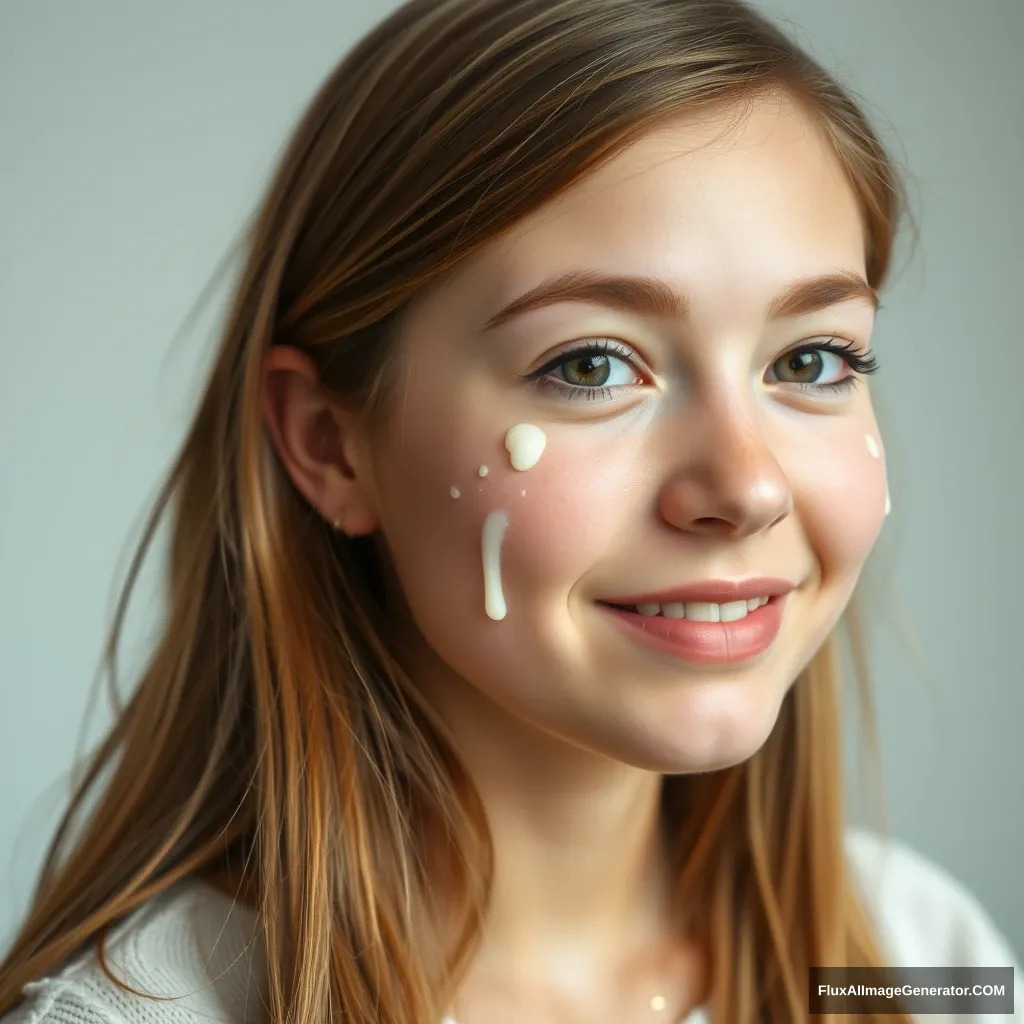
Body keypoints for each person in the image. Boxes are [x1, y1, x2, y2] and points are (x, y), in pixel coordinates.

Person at [0, 0, 1018, 1021]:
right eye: (589, 365)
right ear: (327, 443)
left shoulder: (923, 956)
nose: (746, 488)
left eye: (810, 360)